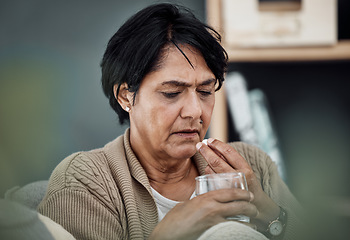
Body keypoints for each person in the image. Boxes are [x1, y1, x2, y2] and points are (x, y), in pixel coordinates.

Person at [38, 3, 302, 240]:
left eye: (205, 91)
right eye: (172, 93)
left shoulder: (251, 166)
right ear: (125, 96)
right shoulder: (88, 181)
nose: (195, 111)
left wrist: (271, 214)